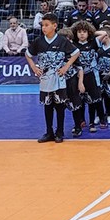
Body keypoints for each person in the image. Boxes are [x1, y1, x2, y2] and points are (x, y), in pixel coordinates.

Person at [26, 13, 78, 143]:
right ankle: (49, 132)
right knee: (47, 106)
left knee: (60, 106)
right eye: (42, 25)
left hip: (59, 80)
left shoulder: (62, 40)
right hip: (45, 80)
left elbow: (76, 53)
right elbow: (27, 54)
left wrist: (66, 66)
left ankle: (59, 132)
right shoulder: (38, 41)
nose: (44, 28)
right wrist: (33, 66)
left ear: (54, 26)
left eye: (46, 25)